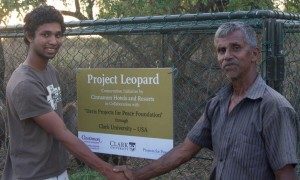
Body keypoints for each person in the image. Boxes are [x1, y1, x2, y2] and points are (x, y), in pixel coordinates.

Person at [113, 21, 299, 179]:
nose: (227, 56)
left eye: (236, 48)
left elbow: (286, 174)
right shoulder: (218, 103)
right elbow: (185, 151)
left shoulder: (273, 107)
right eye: (221, 50)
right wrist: (136, 175)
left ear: (255, 54)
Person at [2, 5, 126, 180]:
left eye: (58, 34)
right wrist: (107, 170)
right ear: (30, 36)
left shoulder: (50, 71)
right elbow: (62, 132)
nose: (54, 41)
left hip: (56, 169)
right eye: (46, 34)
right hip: (35, 174)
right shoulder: (25, 84)